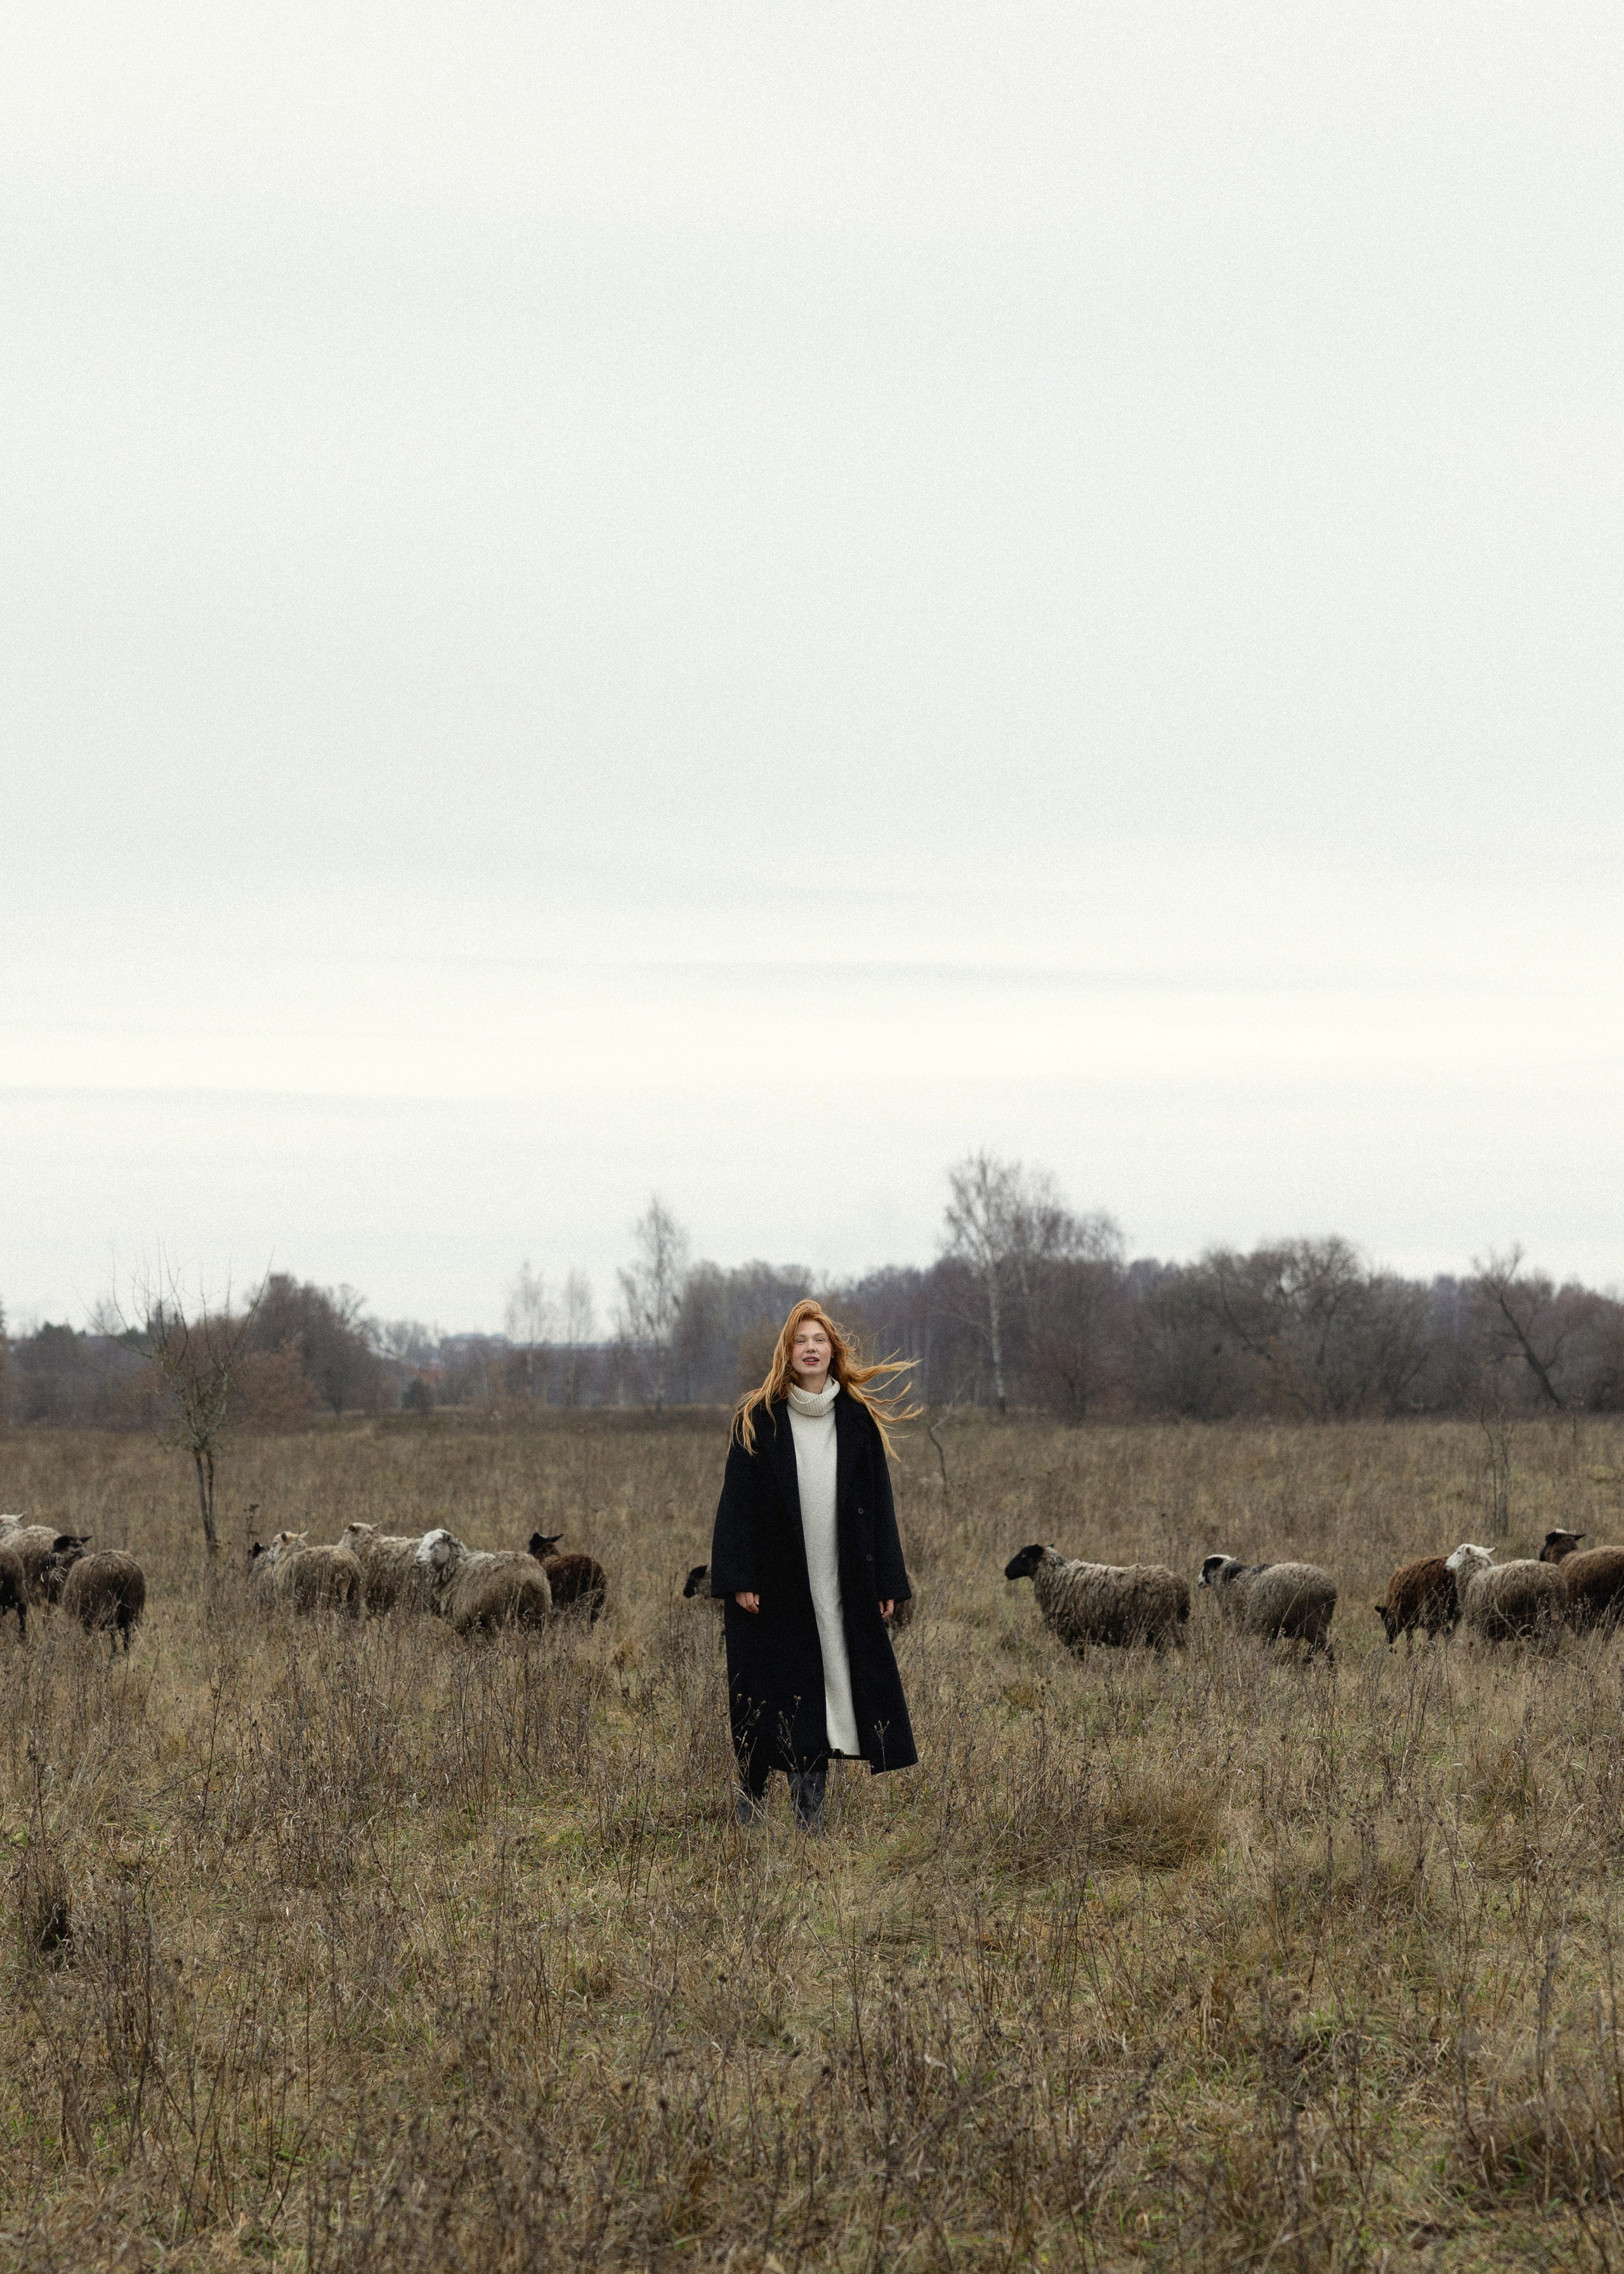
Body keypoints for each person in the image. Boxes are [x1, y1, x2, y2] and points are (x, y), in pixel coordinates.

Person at [709, 1298, 918, 1832]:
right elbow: (736, 1506)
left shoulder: (856, 1420)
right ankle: (750, 1801)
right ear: (787, 1351)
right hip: (774, 1587)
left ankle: (811, 1821)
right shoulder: (757, 1420)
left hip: (839, 1580)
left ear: (832, 1351)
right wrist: (741, 1578)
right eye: (800, 1340)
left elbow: (880, 1503)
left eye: (819, 1340)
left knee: (829, 1688)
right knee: (765, 1694)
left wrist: (886, 1580)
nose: (810, 1348)